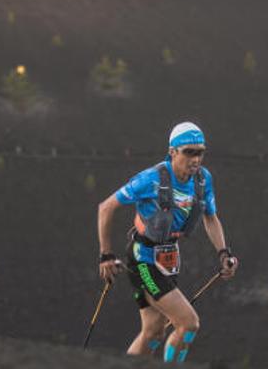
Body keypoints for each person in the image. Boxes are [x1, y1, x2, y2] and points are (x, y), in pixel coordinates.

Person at [96, 122, 238, 363]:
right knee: (188, 323)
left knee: (153, 331)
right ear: (173, 151)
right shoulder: (151, 179)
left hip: (169, 257)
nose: (196, 159)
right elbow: (106, 207)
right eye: (189, 152)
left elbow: (210, 218)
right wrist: (106, 255)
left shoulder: (203, 180)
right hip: (143, 258)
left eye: (200, 152)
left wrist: (223, 253)